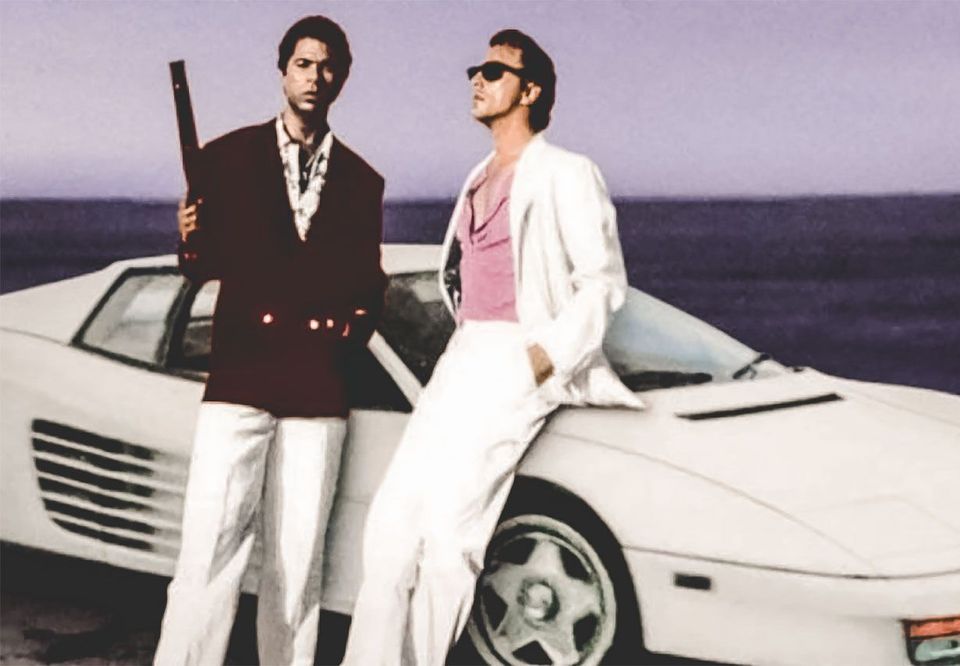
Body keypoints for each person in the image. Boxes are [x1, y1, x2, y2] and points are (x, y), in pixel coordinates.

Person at [342, 28, 642, 666]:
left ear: (529, 91)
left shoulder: (567, 172)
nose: (477, 79)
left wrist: (542, 359)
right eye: (475, 71)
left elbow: (602, 283)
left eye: (494, 71)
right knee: (392, 522)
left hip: (515, 357)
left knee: (451, 536)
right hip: (464, 353)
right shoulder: (479, 175)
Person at [153, 15, 386, 666]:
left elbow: (369, 283)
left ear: (342, 78)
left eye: (328, 66)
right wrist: (188, 237)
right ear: (283, 71)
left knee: (297, 564)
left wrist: (348, 332)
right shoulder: (225, 158)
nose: (316, 76)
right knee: (208, 552)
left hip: (318, 388)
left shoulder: (363, 180)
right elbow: (202, 265)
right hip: (240, 378)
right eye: (304, 64)